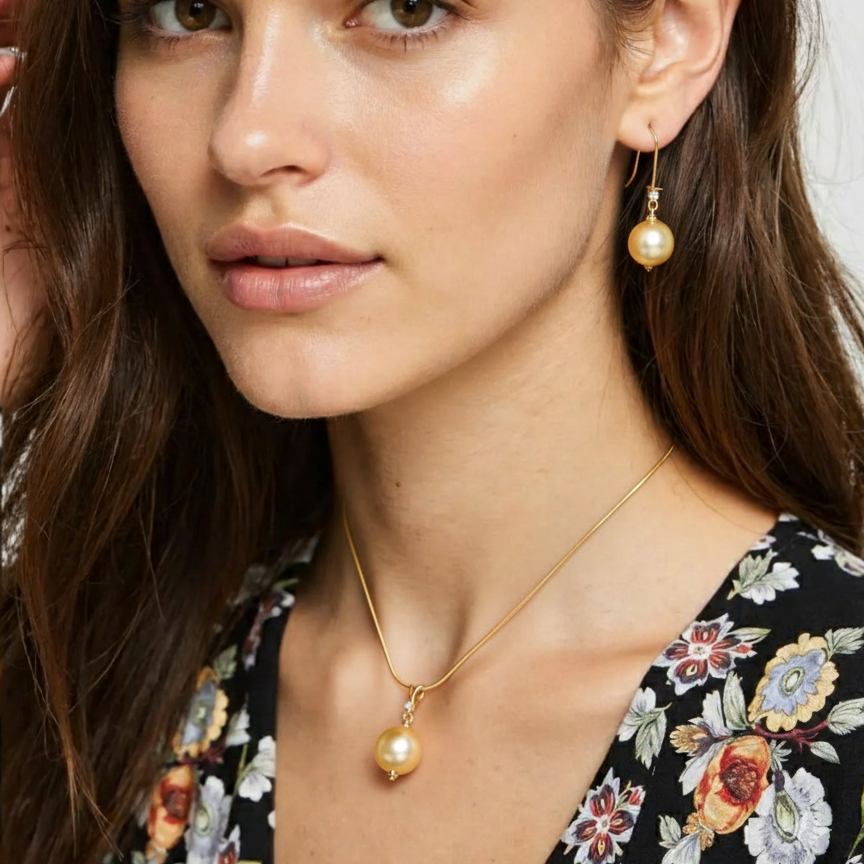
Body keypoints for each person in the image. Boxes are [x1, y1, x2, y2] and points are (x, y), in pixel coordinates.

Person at [4, 0, 864, 862]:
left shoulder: (842, 732)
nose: (246, 137)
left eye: (404, 10)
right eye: (186, 11)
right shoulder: (74, 682)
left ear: (666, 47)